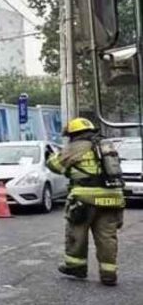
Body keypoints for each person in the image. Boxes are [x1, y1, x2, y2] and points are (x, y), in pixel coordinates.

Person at [47, 117, 126, 286]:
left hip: (85, 198)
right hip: (112, 197)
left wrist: (53, 155)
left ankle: (76, 267)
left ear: (73, 134)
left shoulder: (76, 146)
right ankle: (108, 274)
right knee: (107, 237)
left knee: (77, 233)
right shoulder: (106, 145)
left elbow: (55, 166)